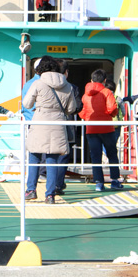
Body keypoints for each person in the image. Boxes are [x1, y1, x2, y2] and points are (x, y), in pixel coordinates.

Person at [22, 56, 77, 204]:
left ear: (41, 69)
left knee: (34, 157)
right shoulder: (67, 86)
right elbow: (71, 109)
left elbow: (26, 104)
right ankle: (50, 195)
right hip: (58, 125)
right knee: (52, 160)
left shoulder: (38, 83)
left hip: (40, 123)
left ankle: (31, 190)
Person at [79, 69, 121, 191]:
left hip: (91, 129)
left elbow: (82, 112)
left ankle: (99, 183)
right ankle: (114, 181)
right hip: (107, 128)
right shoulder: (107, 92)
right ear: (104, 80)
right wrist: (110, 114)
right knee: (112, 154)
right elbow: (112, 109)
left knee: (95, 156)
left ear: (91, 80)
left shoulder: (86, 95)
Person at [55, 60, 83, 196]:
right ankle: (58, 184)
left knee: (49, 156)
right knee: (63, 156)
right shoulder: (72, 87)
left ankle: (49, 185)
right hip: (66, 126)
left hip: (50, 125)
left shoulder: (46, 86)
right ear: (66, 72)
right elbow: (77, 107)